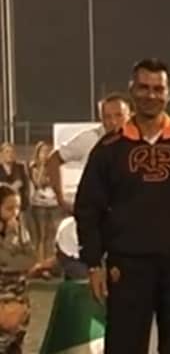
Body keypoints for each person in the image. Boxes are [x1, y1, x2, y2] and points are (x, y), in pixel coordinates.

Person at [74, 58, 170, 354]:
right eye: (144, 87)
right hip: (127, 266)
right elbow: (88, 208)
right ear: (132, 90)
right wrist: (93, 263)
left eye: (158, 89)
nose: (151, 95)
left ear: (169, 93)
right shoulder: (109, 149)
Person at [46, 92, 131, 214]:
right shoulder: (90, 139)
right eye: (107, 117)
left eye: (119, 115)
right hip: (98, 214)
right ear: (101, 119)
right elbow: (54, 159)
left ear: (130, 115)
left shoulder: (140, 142)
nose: (113, 121)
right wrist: (61, 199)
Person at [0, 185, 36, 354]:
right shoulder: (12, 232)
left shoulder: (21, 228)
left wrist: (14, 262)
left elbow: (30, 259)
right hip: (3, 299)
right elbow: (3, 260)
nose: (14, 213)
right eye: (9, 208)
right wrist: (10, 238)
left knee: (16, 345)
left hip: (20, 296)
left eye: (17, 208)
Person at [28, 141, 62, 274]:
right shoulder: (34, 167)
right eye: (43, 151)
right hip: (39, 204)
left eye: (48, 151)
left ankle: (51, 264)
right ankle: (40, 265)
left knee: (53, 235)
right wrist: (43, 166)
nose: (46, 154)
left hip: (54, 204)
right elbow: (39, 183)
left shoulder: (55, 166)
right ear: (38, 153)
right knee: (42, 236)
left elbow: (56, 182)